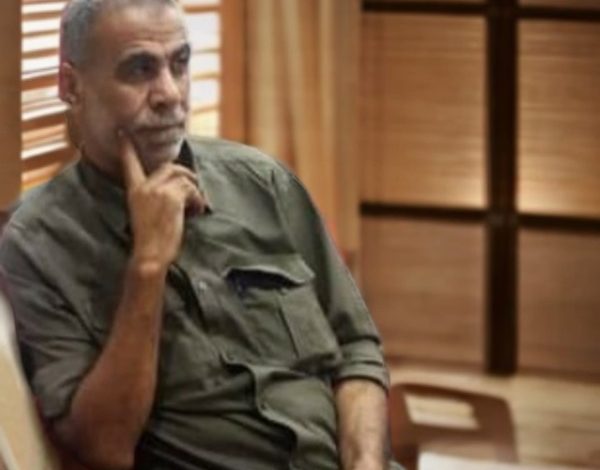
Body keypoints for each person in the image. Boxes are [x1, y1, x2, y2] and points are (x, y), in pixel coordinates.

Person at [0, 0, 399, 469]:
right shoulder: (37, 244)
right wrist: (148, 265)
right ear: (71, 86)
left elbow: (356, 350)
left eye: (180, 63)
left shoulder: (262, 182)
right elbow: (106, 447)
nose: (170, 94)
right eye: (139, 70)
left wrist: (366, 464)